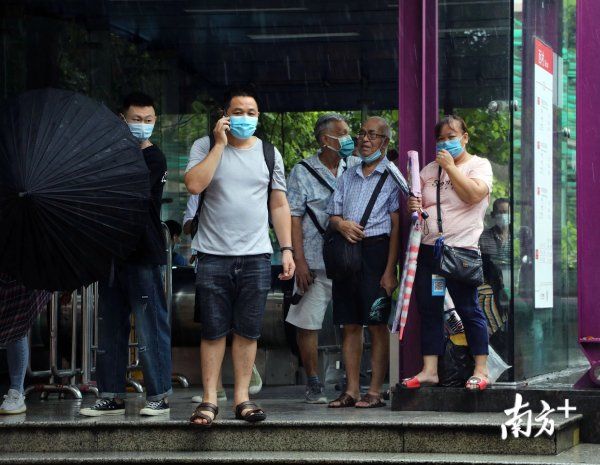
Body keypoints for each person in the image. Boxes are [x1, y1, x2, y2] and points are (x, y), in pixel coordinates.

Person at [184, 87, 294, 425]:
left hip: (256, 255)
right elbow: (193, 185)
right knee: (213, 330)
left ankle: (242, 398)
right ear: (225, 115)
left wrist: (287, 249)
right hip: (213, 255)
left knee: (249, 330)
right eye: (238, 112)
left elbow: (278, 204)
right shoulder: (205, 146)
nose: (244, 118)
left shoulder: (270, 153)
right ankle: (208, 399)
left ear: (258, 117)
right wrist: (219, 145)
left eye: (251, 113)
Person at [80, 92, 172, 416]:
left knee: (149, 327)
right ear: (122, 119)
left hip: (143, 254)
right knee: (111, 327)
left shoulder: (154, 159)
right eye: (137, 119)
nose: (142, 126)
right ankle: (110, 394)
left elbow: (131, 201)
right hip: (111, 254)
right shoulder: (107, 156)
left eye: (148, 120)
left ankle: (158, 394)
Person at [405, 114, 493, 391]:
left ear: (465, 137)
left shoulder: (478, 165)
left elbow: (472, 195)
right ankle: (430, 369)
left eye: (451, 137)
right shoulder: (428, 171)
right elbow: (419, 206)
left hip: (462, 251)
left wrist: (451, 167)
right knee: (430, 309)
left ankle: (481, 368)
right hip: (431, 251)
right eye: (441, 138)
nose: (445, 143)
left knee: (469, 308)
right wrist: (414, 206)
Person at [326, 116, 400, 409]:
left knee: (377, 324)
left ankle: (375, 391)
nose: (365, 139)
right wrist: (341, 225)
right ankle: (352, 390)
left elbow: (397, 228)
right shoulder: (348, 174)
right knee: (350, 324)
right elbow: (332, 215)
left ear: (385, 141)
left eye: (373, 135)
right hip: (348, 254)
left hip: (376, 253)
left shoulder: (393, 177)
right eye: (362, 134)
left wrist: (389, 270)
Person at [285, 113, 358, 404]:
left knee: (351, 322)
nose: (348, 138)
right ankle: (313, 381)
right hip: (314, 261)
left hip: (349, 259)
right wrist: (298, 260)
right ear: (325, 139)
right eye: (342, 133)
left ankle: (350, 382)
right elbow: (293, 217)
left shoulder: (354, 166)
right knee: (307, 323)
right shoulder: (302, 170)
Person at [0, 274, 50, 414]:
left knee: (17, 325)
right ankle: (16, 392)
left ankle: (16, 391)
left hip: (21, 273)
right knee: (16, 325)